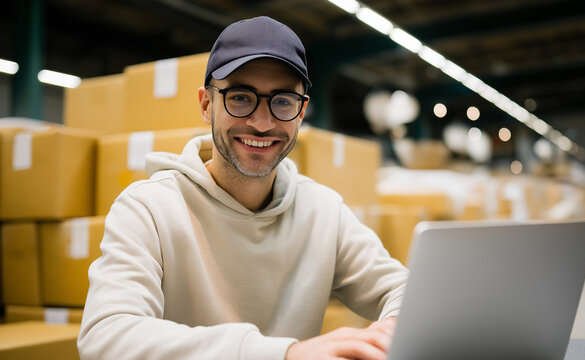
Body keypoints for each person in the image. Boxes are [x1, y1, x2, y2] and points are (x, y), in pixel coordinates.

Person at [78, 16, 408, 360]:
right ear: (207, 105)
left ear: (301, 112)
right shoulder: (147, 209)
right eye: (240, 97)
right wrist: (285, 354)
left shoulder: (323, 211)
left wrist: (390, 331)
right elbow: (106, 337)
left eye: (282, 101)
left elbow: (404, 290)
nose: (262, 123)